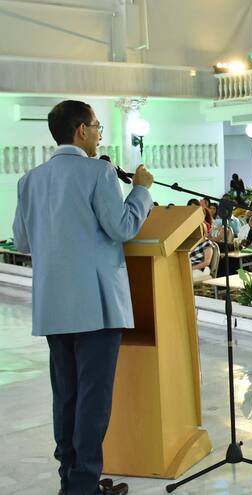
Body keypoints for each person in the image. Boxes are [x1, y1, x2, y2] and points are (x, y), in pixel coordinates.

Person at [12, 100, 152, 495]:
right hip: (96, 306)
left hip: (53, 306)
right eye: (96, 127)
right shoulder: (99, 171)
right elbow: (122, 226)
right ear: (80, 131)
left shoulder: (31, 179)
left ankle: (70, 480)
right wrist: (140, 191)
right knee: (93, 401)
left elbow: (22, 240)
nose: (98, 135)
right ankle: (84, 487)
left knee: (67, 397)